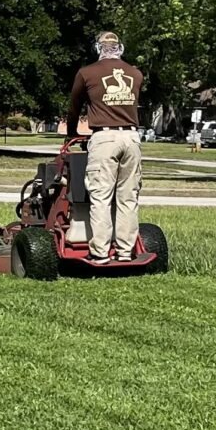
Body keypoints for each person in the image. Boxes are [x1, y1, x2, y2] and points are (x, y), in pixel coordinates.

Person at [66, 31, 144, 264]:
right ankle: (125, 251)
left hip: (104, 137)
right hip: (131, 138)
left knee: (100, 196)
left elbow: (74, 106)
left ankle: (99, 252)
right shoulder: (136, 74)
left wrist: (72, 133)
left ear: (98, 48)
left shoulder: (87, 73)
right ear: (120, 48)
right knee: (128, 197)